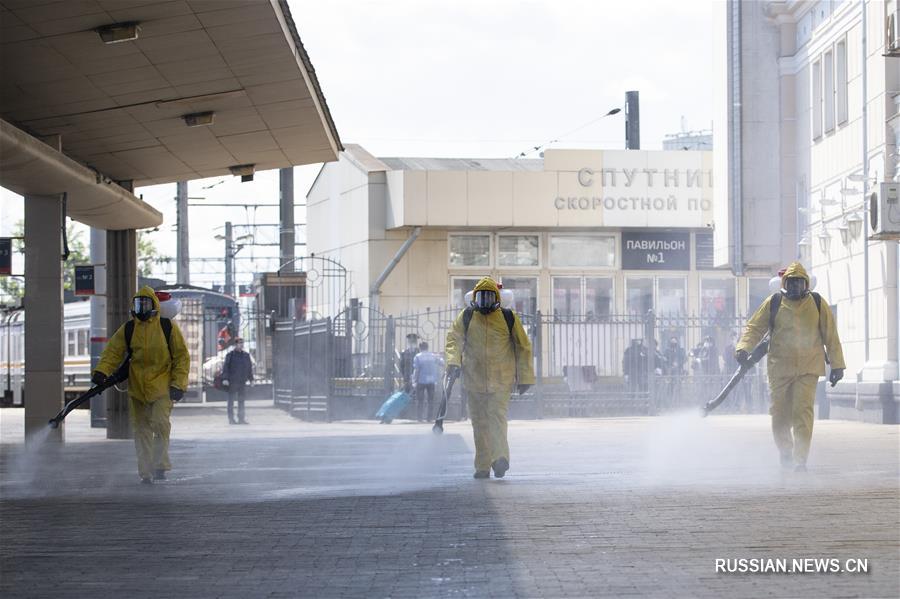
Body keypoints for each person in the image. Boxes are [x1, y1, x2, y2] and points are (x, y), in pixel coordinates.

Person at [735, 262, 845, 471]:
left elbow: (831, 335)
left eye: (799, 282)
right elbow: (754, 328)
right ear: (785, 283)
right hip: (780, 369)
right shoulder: (774, 302)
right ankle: (785, 451)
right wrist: (743, 348)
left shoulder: (817, 303)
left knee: (802, 411)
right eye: (792, 282)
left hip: (808, 368)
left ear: (806, 284)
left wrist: (837, 365)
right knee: (780, 413)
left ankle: (800, 459)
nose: (795, 286)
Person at [93, 286, 190, 484]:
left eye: (146, 304)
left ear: (154, 305)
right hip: (137, 389)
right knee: (142, 431)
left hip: (162, 388)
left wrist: (178, 385)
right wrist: (101, 371)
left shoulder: (167, 327)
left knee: (160, 424)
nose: (142, 308)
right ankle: (146, 472)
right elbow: (113, 352)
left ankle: (160, 465)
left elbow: (182, 357)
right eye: (139, 304)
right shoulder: (129, 329)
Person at [445, 277, 535, 479]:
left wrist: (526, 377)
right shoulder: (467, 316)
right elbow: (454, 340)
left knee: (496, 418)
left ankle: (500, 459)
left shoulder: (508, 317)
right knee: (479, 423)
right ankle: (482, 466)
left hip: (501, 380)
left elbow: (523, 347)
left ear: (497, 298)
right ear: (475, 298)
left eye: (489, 296)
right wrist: (453, 361)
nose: (485, 302)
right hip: (474, 380)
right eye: (481, 297)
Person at [222, 337, 253, 425]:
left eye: (242, 343)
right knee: (231, 401)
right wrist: (225, 378)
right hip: (232, 382)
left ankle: (241, 418)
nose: (241, 345)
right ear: (235, 345)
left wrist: (251, 379)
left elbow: (249, 368)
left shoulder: (246, 355)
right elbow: (226, 368)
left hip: (242, 381)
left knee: (241, 401)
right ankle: (231, 419)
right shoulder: (230, 355)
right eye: (239, 343)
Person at [412, 341, 442, 422]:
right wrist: (439, 356)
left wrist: (414, 380)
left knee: (420, 400)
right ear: (427, 347)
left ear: (420, 348)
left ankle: (420, 418)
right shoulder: (433, 356)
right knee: (430, 400)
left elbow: (416, 370)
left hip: (421, 380)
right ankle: (429, 418)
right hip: (432, 380)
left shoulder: (418, 356)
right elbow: (442, 363)